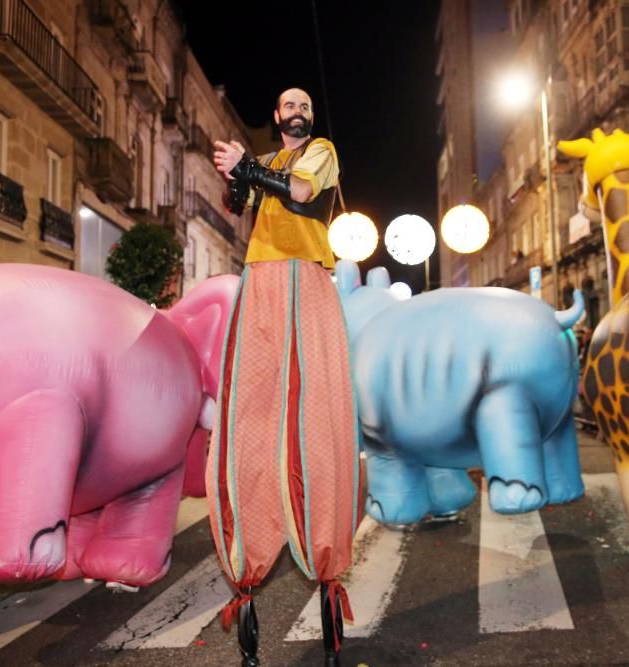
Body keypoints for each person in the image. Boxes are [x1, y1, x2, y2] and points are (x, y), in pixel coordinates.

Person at [209, 88, 358, 666]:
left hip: (305, 277)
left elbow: (299, 195)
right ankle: (249, 561)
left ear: (310, 116)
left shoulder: (321, 150)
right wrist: (235, 171)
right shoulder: (266, 159)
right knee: (251, 411)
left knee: (314, 411)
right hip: (261, 281)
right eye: (286, 104)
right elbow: (238, 201)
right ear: (276, 116)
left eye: (304, 103)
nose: (296, 108)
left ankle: (322, 560)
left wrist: (248, 165)